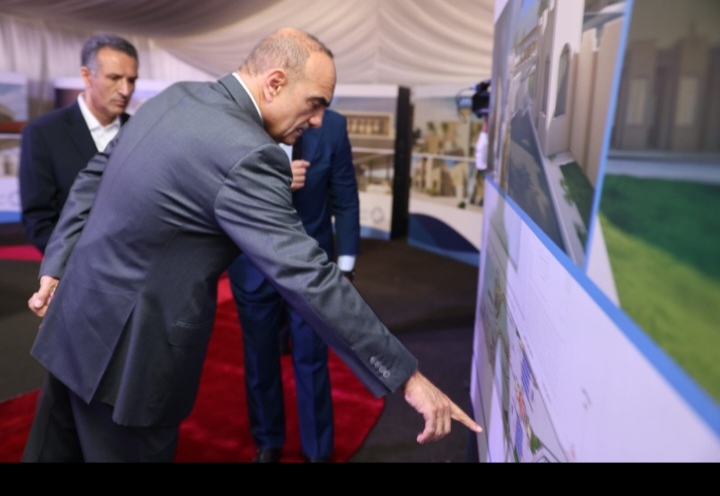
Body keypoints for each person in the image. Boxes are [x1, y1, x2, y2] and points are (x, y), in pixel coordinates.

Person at [23, 27, 482, 462]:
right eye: (315, 103)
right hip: (130, 362)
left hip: (74, 325)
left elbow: (92, 177)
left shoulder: (177, 96)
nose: (318, 120)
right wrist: (407, 377)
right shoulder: (249, 153)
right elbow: (308, 276)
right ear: (275, 83)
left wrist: (56, 265)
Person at [228, 108, 359, 463]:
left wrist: (346, 269)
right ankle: (267, 442)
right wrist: (274, 179)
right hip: (252, 264)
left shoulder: (332, 127)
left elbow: (345, 197)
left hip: (310, 267)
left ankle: (318, 451)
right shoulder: (240, 118)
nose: (318, 115)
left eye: (324, 102)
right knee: (260, 359)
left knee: (312, 357)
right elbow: (220, 187)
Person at [18, 33, 139, 254]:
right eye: (114, 78)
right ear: (86, 76)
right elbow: (39, 221)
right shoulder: (43, 133)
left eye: (131, 80)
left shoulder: (142, 131)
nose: (125, 90)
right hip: (76, 269)